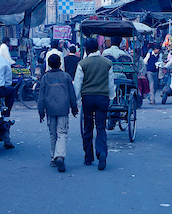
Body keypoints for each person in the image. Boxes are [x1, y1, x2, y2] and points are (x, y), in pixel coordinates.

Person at [73, 38, 115, 170]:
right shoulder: (107, 63)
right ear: (98, 47)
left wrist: (75, 100)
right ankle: (101, 152)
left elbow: (77, 84)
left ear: (86, 49)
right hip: (102, 98)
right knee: (101, 127)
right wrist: (111, 97)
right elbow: (110, 83)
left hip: (88, 98)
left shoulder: (82, 63)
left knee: (88, 127)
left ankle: (88, 156)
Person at [38, 54, 78, 173]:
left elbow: (41, 98)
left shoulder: (45, 78)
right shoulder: (66, 77)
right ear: (60, 63)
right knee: (62, 133)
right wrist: (74, 108)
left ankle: (53, 157)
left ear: (49, 65)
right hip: (63, 110)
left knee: (52, 133)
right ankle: (60, 155)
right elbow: (72, 94)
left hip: (50, 110)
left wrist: (41, 112)